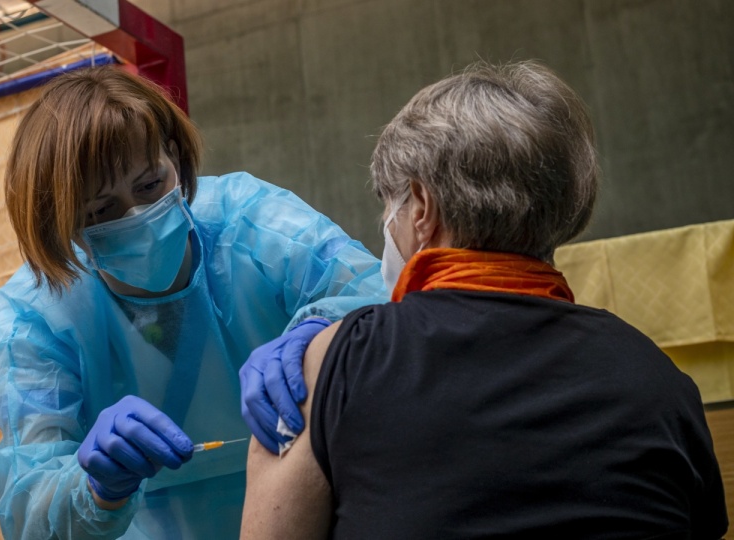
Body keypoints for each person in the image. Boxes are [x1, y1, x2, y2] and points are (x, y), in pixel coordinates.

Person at [241, 60, 728, 538]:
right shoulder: (658, 379)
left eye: (392, 204)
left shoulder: (324, 370)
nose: (386, 225)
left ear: (422, 208)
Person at [0, 66, 386, 539]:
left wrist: (317, 331)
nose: (136, 215)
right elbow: (29, 512)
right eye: (100, 211)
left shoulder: (251, 223)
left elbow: (379, 297)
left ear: (174, 155)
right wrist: (95, 487)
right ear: (62, 223)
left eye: (151, 185)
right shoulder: (37, 315)